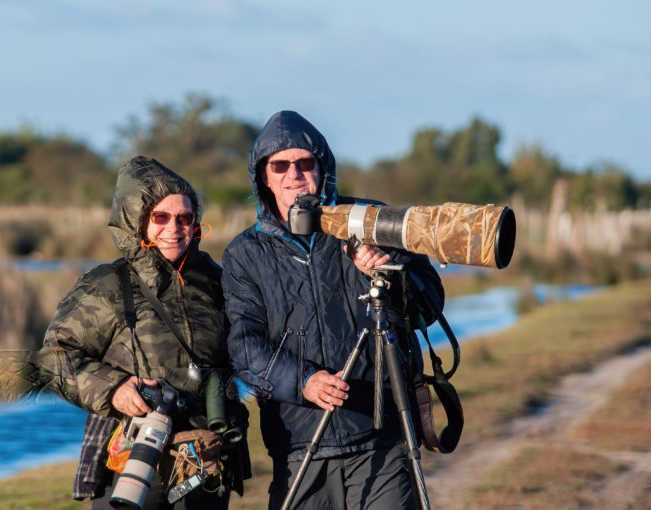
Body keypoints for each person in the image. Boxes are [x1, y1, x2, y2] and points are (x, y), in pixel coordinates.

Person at [222, 111, 445, 509]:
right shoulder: (244, 254)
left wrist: (388, 273)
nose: (294, 175)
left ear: (323, 169)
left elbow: (428, 306)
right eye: (280, 166)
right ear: (264, 178)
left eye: (305, 163)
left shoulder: (371, 221)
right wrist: (304, 381)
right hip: (298, 447)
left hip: (382, 436)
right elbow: (244, 347)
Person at [34, 156, 251, 509]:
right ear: (136, 221)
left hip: (205, 458)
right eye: (160, 217)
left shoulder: (216, 281)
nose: (174, 227)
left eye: (185, 217)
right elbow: (53, 359)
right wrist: (114, 389)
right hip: (132, 458)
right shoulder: (106, 285)